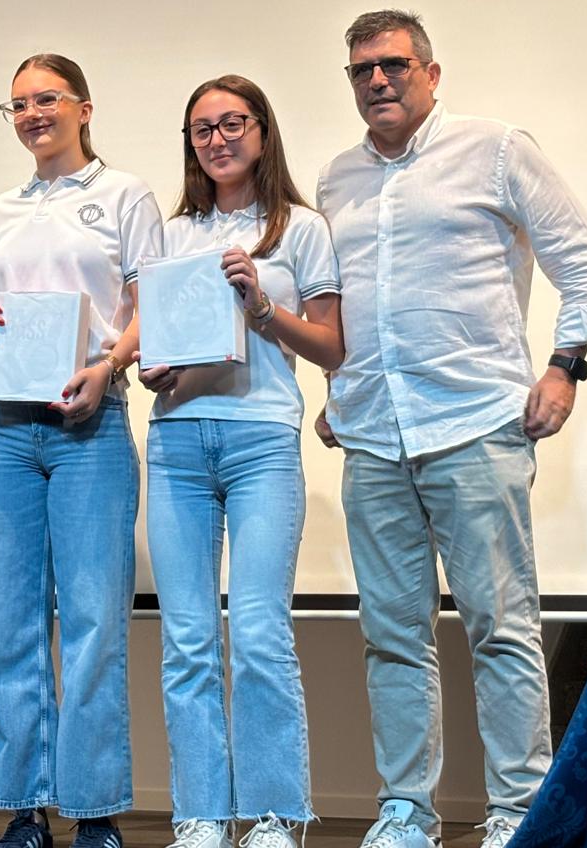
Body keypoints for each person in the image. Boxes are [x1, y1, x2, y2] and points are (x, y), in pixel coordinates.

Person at [316, 11, 587, 848]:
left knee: (502, 630)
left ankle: (519, 815)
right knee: (391, 639)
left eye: (393, 64)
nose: (378, 81)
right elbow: (337, 302)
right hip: (373, 437)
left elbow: (586, 262)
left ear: (431, 72)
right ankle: (405, 814)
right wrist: (337, 387)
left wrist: (565, 367)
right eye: (362, 70)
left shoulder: (495, 149)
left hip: (476, 426)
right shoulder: (337, 179)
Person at [137, 75, 343, 848]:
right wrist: (154, 368)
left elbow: (331, 347)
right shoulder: (171, 234)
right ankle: (200, 814)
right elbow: (154, 345)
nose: (217, 139)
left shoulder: (302, 229)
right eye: (202, 129)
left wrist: (262, 307)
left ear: (261, 130)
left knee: (258, 632)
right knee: (188, 639)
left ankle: (273, 814)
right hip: (178, 442)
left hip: (261, 440)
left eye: (232, 124)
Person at [0, 54, 163, 848]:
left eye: (46, 99)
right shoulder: (3, 207)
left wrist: (109, 365)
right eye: (17, 104)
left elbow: (150, 304)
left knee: (92, 623)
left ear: (83, 107)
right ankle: (24, 809)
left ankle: (93, 810)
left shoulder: (125, 194)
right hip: (3, 423)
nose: (32, 114)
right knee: (7, 624)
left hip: (90, 421)